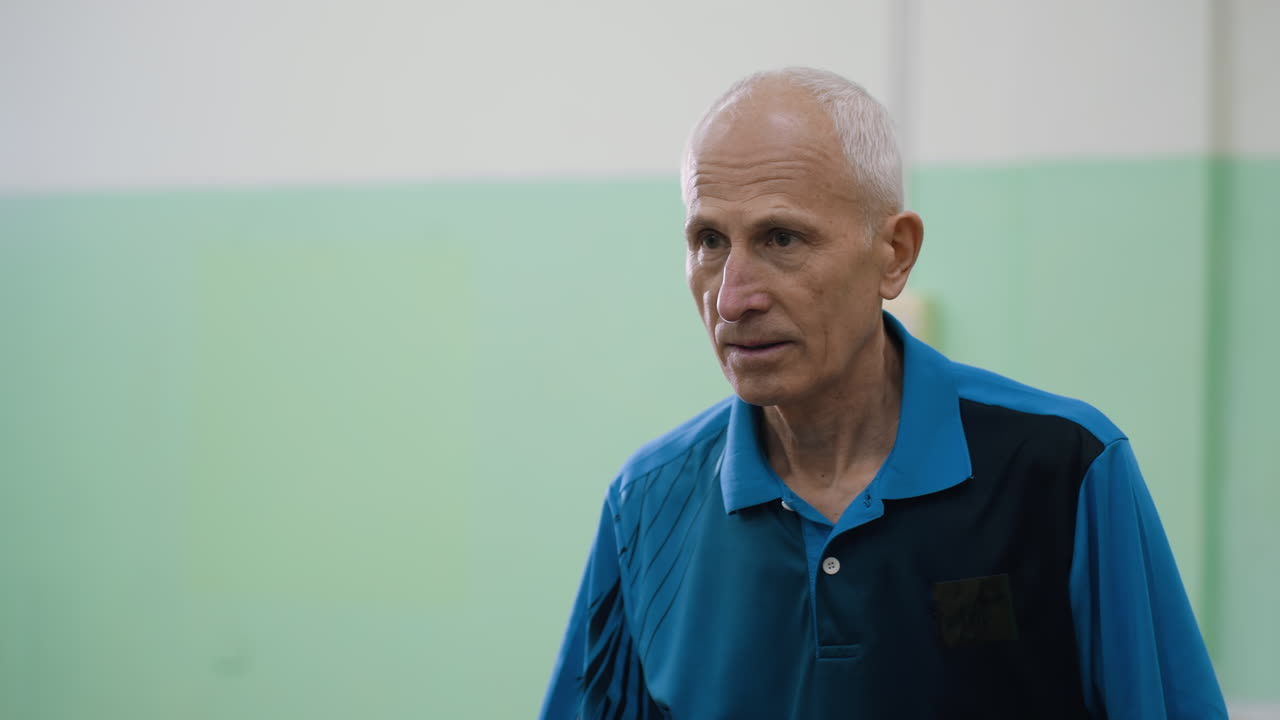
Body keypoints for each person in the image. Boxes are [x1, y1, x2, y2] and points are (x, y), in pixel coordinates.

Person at [539, 67, 1227, 719]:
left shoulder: (1063, 469)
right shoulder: (645, 505)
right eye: (709, 240)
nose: (733, 297)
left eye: (781, 238)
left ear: (894, 254)